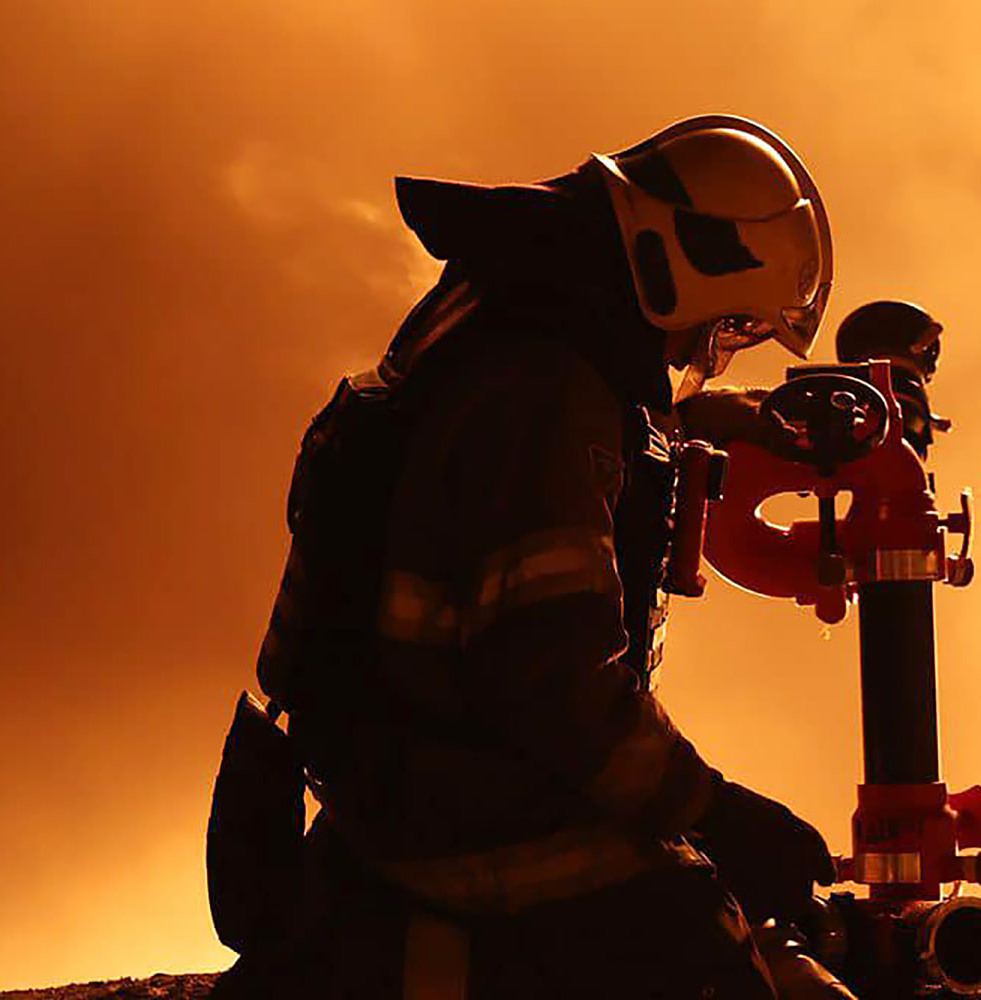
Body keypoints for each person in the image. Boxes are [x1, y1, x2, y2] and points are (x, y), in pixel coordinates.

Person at [212, 116, 841, 1000]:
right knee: (707, 948)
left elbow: (547, 444)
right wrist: (718, 812)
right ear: (675, 267)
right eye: (724, 327)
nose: (707, 354)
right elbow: (560, 686)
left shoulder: (509, 313)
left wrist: (716, 416)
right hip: (457, 808)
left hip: (393, 772)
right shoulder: (549, 397)